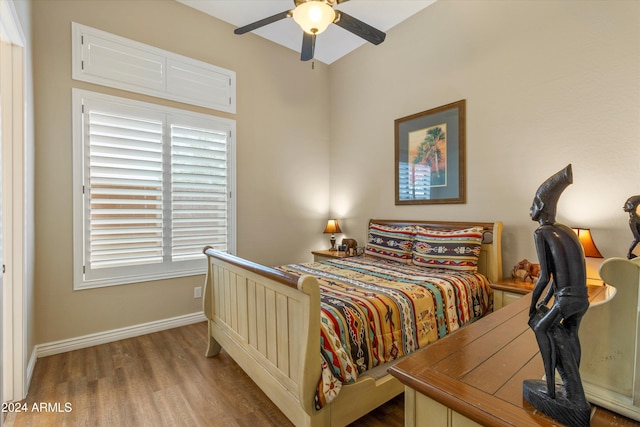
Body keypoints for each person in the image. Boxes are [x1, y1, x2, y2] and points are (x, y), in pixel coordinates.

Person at [528, 164, 589, 406]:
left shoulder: (541, 232)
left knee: (541, 329)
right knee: (572, 333)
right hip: (581, 300)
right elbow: (557, 277)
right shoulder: (567, 231)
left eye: (532, 204)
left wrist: (532, 306)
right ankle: (574, 388)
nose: (529, 209)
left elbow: (545, 276)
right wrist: (545, 301)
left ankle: (551, 390)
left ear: (541, 207)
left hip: (565, 299)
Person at [623, 195, 640, 259]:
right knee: (637, 239)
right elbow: (637, 238)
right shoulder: (632, 220)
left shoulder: (635, 219)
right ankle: (630, 253)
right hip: (637, 240)